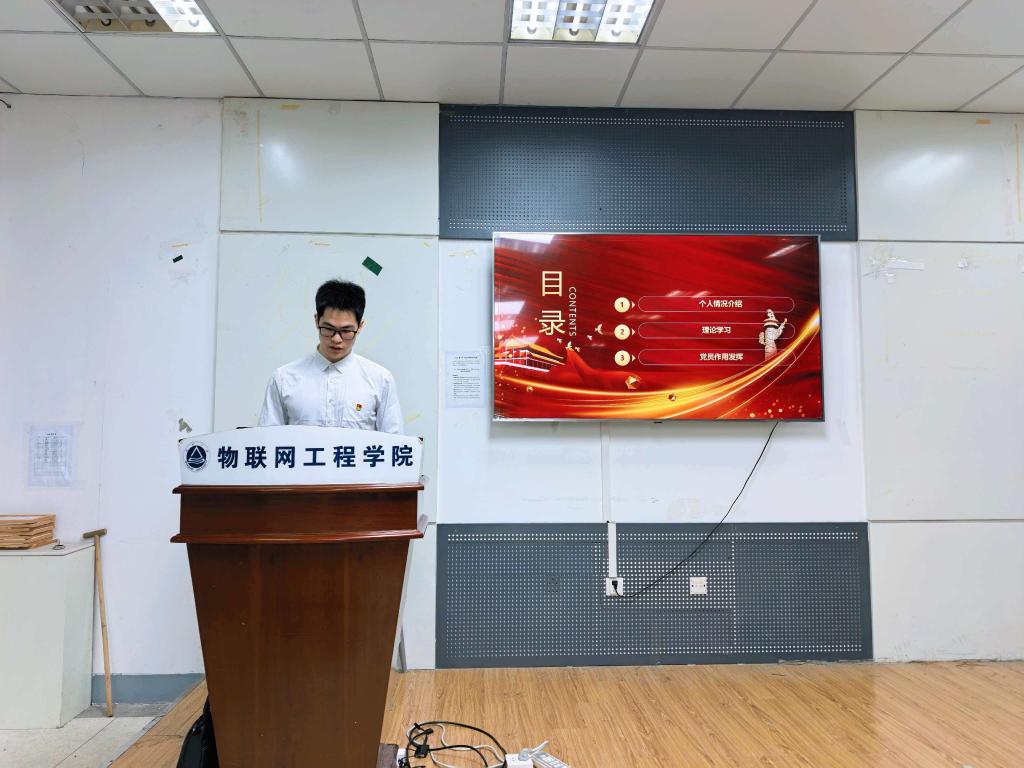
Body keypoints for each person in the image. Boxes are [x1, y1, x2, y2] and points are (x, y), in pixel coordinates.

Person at [258, 279, 403, 434]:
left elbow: (395, 442)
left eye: (346, 331)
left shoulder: (380, 380)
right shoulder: (284, 379)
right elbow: (266, 440)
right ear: (316, 320)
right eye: (328, 328)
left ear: (360, 326)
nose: (336, 339)